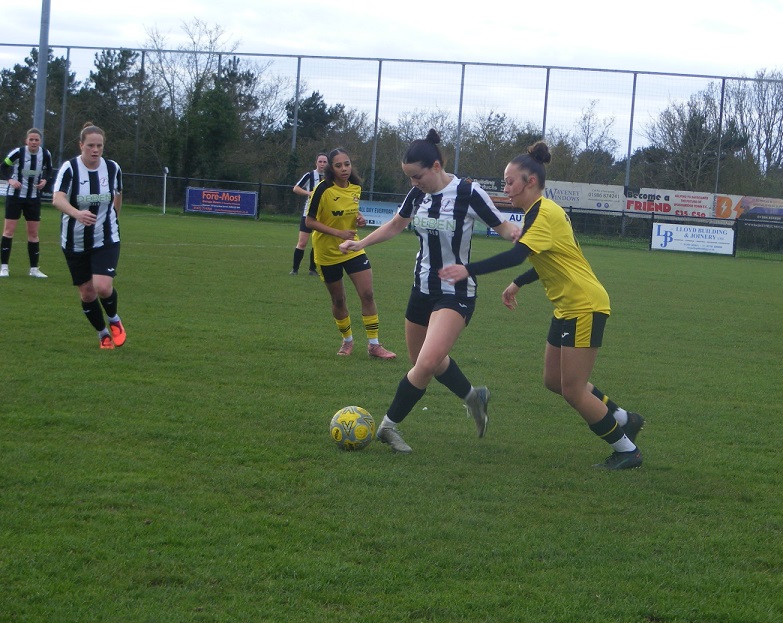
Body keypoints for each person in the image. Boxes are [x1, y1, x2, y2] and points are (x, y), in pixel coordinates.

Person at [439, 141, 645, 470]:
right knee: (553, 380)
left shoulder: (543, 214)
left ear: (530, 181)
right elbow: (550, 259)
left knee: (573, 390)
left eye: (510, 182)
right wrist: (518, 283)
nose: (506, 188)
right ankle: (623, 418)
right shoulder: (539, 212)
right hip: (568, 307)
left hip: (584, 305)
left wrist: (468, 269)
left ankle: (626, 450)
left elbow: (517, 255)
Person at [339, 129, 521, 453]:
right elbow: (395, 225)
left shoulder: (468, 192)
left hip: (456, 292)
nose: (414, 183)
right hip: (421, 289)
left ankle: (387, 427)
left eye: (417, 176)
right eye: (409, 177)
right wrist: (360, 243)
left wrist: (520, 234)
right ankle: (474, 397)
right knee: (424, 363)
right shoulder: (417, 194)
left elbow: (504, 227)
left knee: (425, 363)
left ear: (436, 166)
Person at [305, 147, 396, 360]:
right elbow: (309, 221)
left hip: (353, 248)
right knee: (339, 300)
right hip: (328, 253)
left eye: (347, 164)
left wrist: (359, 218)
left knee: (368, 294)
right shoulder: (322, 189)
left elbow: (350, 211)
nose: (344, 169)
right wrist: (338, 232)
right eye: (338, 165)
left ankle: (374, 345)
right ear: (331, 168)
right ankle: (347, 341)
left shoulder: (355, 188)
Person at [51, 122, 127, 350]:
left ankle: (114, 319)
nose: (95, 150)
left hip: (106, 237)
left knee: (102, 286)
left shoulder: (112, 168)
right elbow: (57, 199)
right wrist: (77, 213)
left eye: (99, 146)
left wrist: (114, 218)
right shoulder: (70, 168)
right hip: (74, 241)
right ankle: (103, 334)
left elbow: (118, 194)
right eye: (91, 145)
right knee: (87, 293)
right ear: (81, 145)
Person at [1, 128, 53, 278]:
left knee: (33, 233)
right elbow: (3, 167)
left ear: (40, 141)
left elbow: (49, 170)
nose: (34, 142)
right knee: (8, 231)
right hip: (15, 197)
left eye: (36, 140)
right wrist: (10, 180)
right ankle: (4, 267)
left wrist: (45, 180)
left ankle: (34, 269)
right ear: (26, 141)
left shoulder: (45, 154)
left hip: (33, 198)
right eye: (31, 139)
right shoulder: (18, 153)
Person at [290, 153, 328, 276]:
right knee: (302, 242)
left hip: (323, 215)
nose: (322, 164)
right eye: (320, 161)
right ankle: (295, 269)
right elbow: (296, 188)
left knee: (317, 243)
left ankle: (312, 269)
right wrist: (309, 193)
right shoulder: (310, 175)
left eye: (325, 162)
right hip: (308, 214)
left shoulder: (331, 178)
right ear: (316, 162)